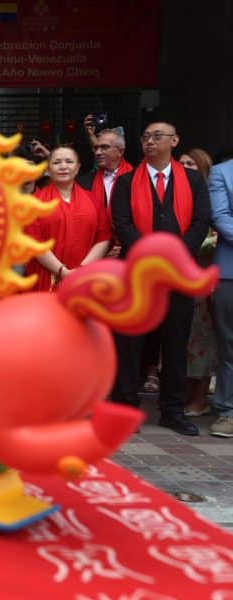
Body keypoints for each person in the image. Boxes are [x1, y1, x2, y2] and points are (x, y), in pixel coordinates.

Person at [111, 122, 211, 436]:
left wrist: (174, 253)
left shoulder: (193, 180)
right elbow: (122, 222)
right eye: (146, 137)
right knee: (131, 343)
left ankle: (171, 410)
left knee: (175, 343)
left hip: (179, 273)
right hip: (138, 273)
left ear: (175, 140)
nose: (150, 141)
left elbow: (200, 222)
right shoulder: (127, 182)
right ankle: (126, 409)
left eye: (157, 136)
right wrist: (150, 253)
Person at [24, 146, 112, 291]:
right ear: (48, 169)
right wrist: (63, 272)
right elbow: (34, 242)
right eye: (57, 162)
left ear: (77, 168)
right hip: (46, 276)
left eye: (69, 162)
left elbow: (103, 238)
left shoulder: (93, 200)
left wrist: (81, 270)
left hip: (85, 275)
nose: (63, 166)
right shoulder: (34, 202)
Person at [179, 148, 217, 419]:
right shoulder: (176, 195)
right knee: (183, 339)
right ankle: (187, 391)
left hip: (203, 277)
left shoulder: (212, 197)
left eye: (191, 164)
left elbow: (215, 237)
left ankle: (201, 396)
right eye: (181, 163)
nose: (185, 167)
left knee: (202, 340)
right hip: (177, 277)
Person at [208, 153, 233, 438]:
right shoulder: (222, 172)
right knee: (230, 345)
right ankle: (228, 410)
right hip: (230, 271)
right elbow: (221, 217)